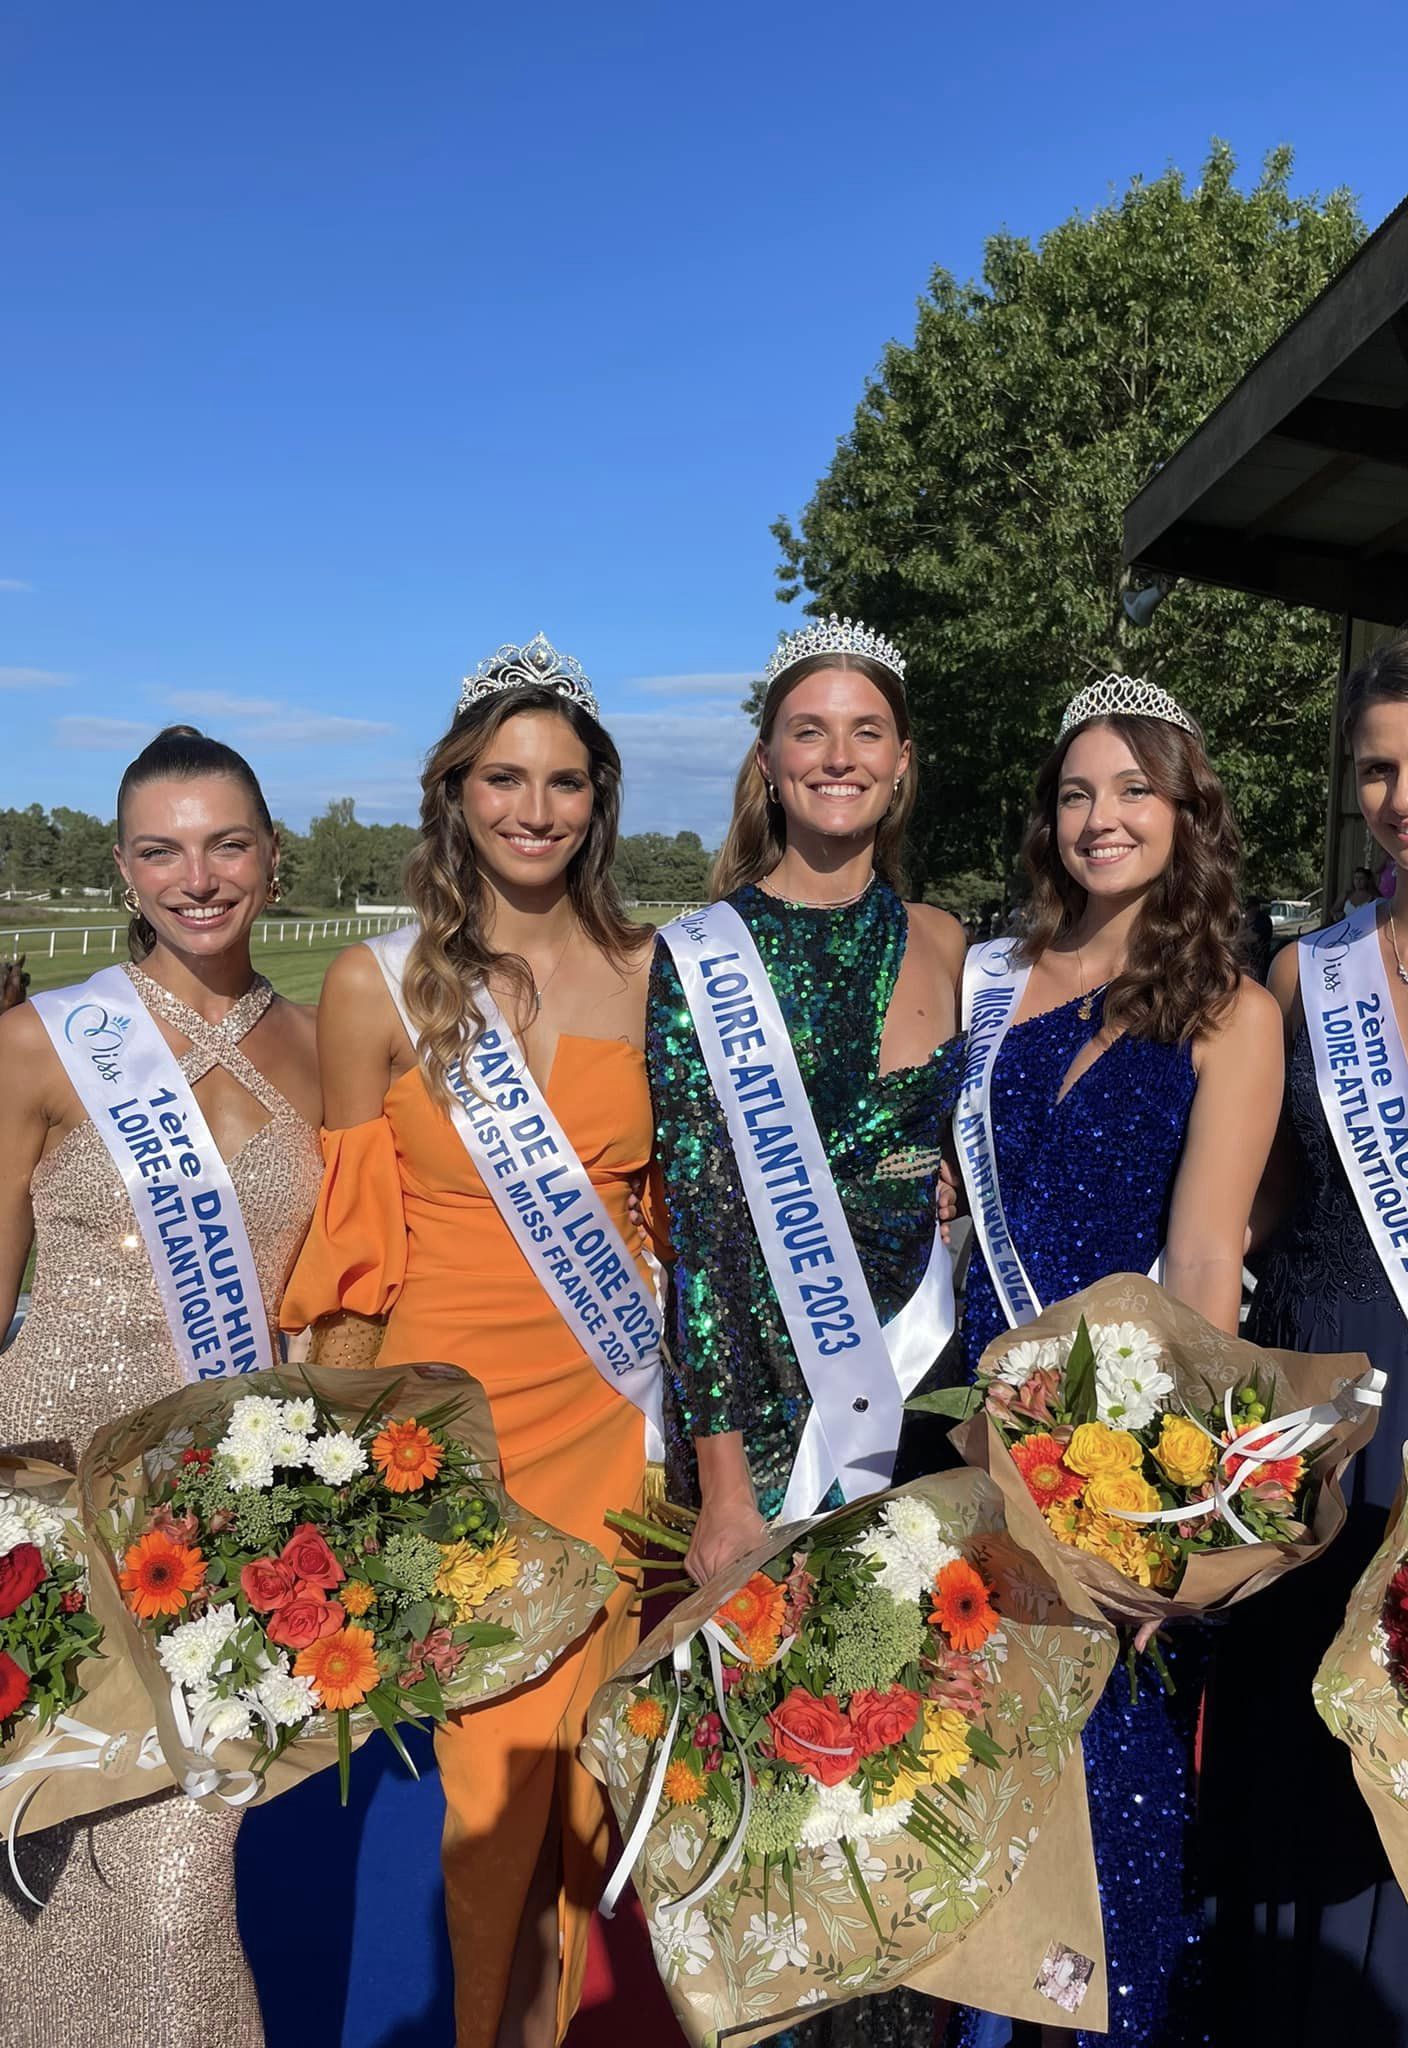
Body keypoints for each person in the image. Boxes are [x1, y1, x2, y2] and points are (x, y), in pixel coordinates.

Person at [278, 635, 661, 2048]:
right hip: (451, 1446)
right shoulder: (376, 989)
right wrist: (332, 1481)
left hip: (615, 1427)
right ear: (455, 792)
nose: (535, 809)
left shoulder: (651, 971)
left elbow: (687, 1224)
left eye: (564, 781)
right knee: (483, 1791)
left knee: (585, 1789)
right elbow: (353, 1260)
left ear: (598, 799)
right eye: (504, 777)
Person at [1202, 627, 1408, 2048]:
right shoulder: (1307, 972)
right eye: (1379, 768)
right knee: (1296, 1805)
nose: (1406, 795)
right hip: (1314, 1452)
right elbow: (1260, 1210)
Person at [948, 674, 1283, 2048]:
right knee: (967, 1804)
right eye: (1078, 792)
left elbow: (1206, 1270)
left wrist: (1171, 1521)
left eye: (1134, 789)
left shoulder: (1232, 1012)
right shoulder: (994, 979)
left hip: (1108, 1470)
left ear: (1186, 811)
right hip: (966, 1440)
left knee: (1110, 1810)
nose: (1102, 817)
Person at [646, 617, 966, 2048]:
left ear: (900, 768)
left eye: (867, 734)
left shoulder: (955, 943)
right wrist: (721, 1488)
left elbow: (967, 1157)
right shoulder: (700, 955)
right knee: (770, 1815)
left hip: (910, 1407)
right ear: (770, 765)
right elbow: (703, 1235)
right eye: (808, 733)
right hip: (763, 1428)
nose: (838, 758)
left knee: (907, 1786)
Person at [0, 726, 322, 2048]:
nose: (197, 875)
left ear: (272, 857)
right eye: (161, 848)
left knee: (183, 1878)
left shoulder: (324, 1046)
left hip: (218, 1518)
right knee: (53, 1871)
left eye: (226, 842)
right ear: (124, 868)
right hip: (45, 1498)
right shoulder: (37, 1043)